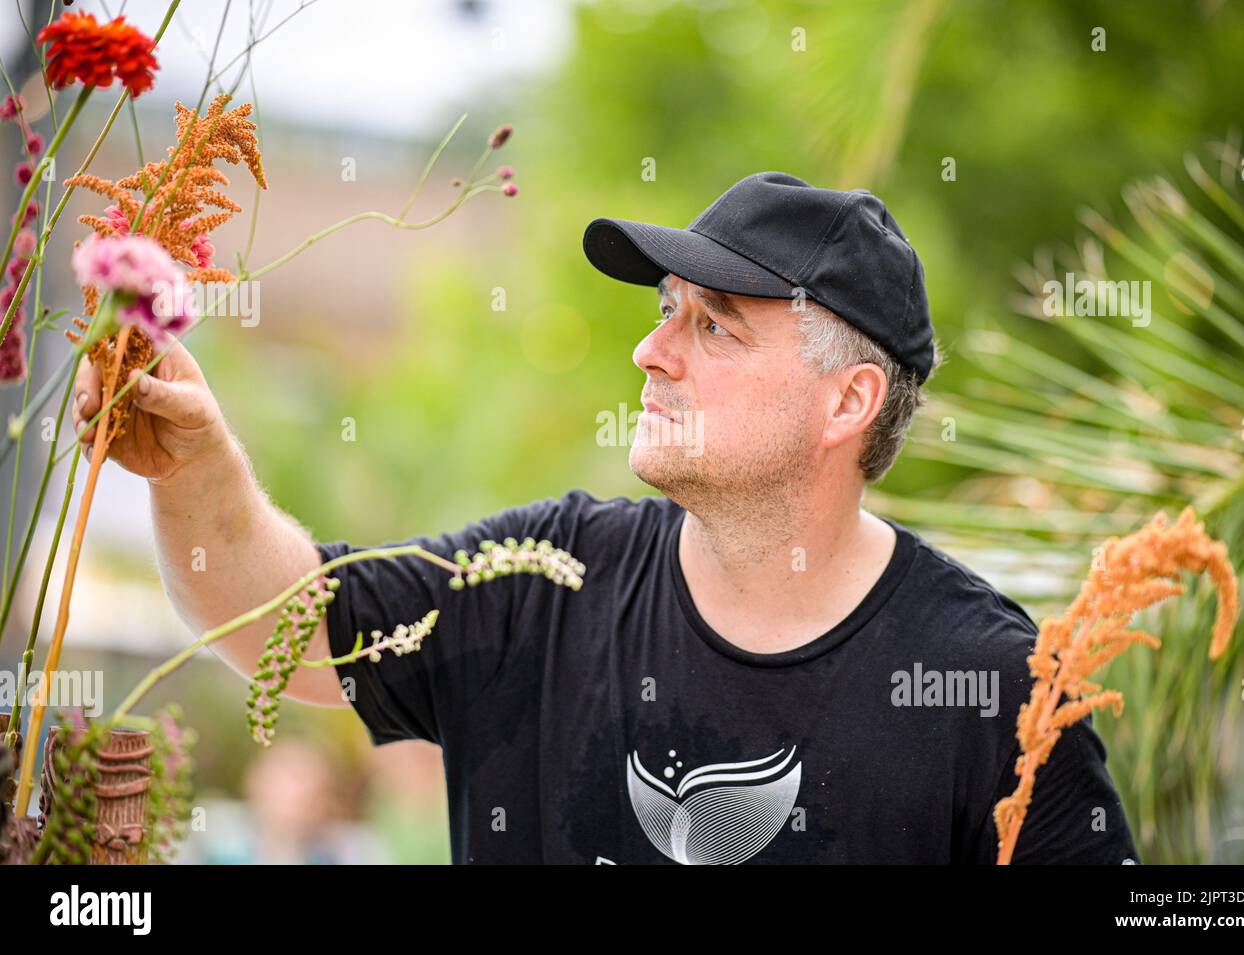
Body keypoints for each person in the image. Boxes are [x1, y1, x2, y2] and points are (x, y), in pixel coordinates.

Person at [73, 171, 1140, 865]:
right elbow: (282, 630)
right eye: (662, 309)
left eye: (713, 326)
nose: (651, 352)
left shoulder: (1000, 690)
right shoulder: (549, 576)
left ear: (846, 402)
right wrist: (194, 470)